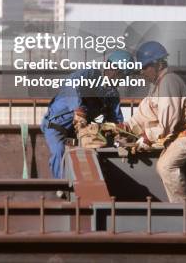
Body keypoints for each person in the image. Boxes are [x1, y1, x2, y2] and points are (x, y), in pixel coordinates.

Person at [122, 41, 186, 203]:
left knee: (165, 166)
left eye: (145, 67)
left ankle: (184, 207)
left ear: (157, 64)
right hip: (180, 134)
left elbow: (168, 122)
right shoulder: (157, 84)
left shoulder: (169, 81)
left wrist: (147, 137)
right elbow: (146, 111)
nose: (142, 72)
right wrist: (127, 126)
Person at [41, 50, 130, 185]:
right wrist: (78, 108)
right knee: (59, 152)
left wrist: (121, 133)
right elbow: (71, 84)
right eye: (122, 76)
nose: (122, 80)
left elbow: (116, 119)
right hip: (57, 127)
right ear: (113, 69)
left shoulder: (112, 94)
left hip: (82, 133)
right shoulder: (90, 74)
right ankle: (63, 189)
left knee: (98, 151)